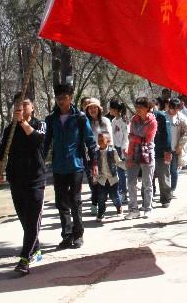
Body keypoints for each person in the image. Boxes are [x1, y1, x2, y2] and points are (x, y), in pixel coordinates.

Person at [0, 93, 46, 275]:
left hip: (35, 179)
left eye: (25, 104)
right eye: (18, 105)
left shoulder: (40, 124)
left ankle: (24, 259)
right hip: (16, 179)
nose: (21, 108)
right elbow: (0, 153)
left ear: (32, 107)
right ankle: (35, 246)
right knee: (25, 219)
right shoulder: (9, 130)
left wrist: (23, 123)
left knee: (33, 219)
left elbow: (38, 141)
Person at [43, 84, 98, 249]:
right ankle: (66, 235)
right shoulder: (51, 119)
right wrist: (40, 160)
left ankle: (78, 234)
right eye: (58, 98)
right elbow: (46, 143)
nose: (61, 101)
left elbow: (90, 141)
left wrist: (94, 162)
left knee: (75, 201)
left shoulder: (80, 118)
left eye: (64, 98)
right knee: (61, 202)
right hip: (58, 167)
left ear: (71, 98)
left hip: (76, 165)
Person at [125, 97, 157, 219]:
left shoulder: (153, 122)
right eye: (136, 107)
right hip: (134, 153)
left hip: (147, 153)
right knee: (131, 182)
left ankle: (148, 208)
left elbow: (147, 140)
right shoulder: (134, 119)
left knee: (147, 182)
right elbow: (132, 140)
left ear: (147, 108)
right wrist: (129, 156)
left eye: (141, 107)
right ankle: (133, 209)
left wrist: (133, 138)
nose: (138, 109)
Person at [84, 98, 112, 216]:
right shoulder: (86, 122)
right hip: (90, 155)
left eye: (94, 107)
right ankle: (95, 202)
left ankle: (101, 205)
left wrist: (109, 152)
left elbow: (109, 137)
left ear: (99, 109)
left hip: (103, 153)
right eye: (90, 108)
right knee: (93, 180)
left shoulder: (105, 120)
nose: (92, 110)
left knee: (103, 181)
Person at [93, 132, 122, 222]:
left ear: (108, 141)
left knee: (114, 196)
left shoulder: (112, 151)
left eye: (102, 140)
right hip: (102, 180)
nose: (100, 141)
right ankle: (101, 213)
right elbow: (95, 166)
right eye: (99, 140)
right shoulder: (96, 152)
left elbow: (118, 162)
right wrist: (95, 178)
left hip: (113, 179)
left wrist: (126, 165)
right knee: (101, 198)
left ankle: (119, 207)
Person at [167, 98, 187, 197]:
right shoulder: (163, 116)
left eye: (177, 109)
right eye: (174, 109)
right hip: (165, 148)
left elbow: (186, 133)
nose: (175, 111)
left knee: (173, 170)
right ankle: (165, 190)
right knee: (164, 171)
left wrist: (180, 145)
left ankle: (172, 189)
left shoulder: (182, 117)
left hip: (176, 148)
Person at [153, 99, 173, 209]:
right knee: (148, 177)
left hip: (161, 151)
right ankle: (147, 199)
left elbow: (168, 135)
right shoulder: (141, 117)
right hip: (148, 152)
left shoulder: (161, 116)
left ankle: (165, 198)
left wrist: (168, 150)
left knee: (163, 175)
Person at [111, 102, 129, 204]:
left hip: (123, 149)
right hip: (115, 148)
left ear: (117, 110)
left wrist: (124, 149)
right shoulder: (114, 120)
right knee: (118, 171)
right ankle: (121, 191)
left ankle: (123, 192)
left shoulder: (123, 120)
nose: (109, 110)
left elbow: (126, 136)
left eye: (111, 108)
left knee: (122, 171)